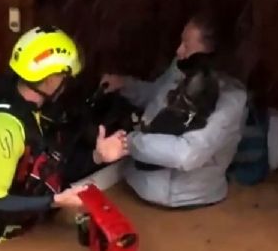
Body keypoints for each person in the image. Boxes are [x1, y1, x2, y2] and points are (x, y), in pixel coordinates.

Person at [0, 26, 130, 242]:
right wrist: (55, 201)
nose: (67, 84)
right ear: (50, 80)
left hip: (25, 191)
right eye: (64, 78)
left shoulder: (37, 109)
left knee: (91, 164)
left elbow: (50, 164)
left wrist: (98, 157)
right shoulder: (4, 129)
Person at [101, 15, 248, 208]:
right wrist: (124, 85)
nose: (178, 51)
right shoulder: (183, 68)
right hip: (139, 179)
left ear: (211, 54)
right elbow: (157, 98)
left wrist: (128, 143)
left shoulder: (230, 101)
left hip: (181, 197)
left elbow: (187, 154)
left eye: (187, 46)